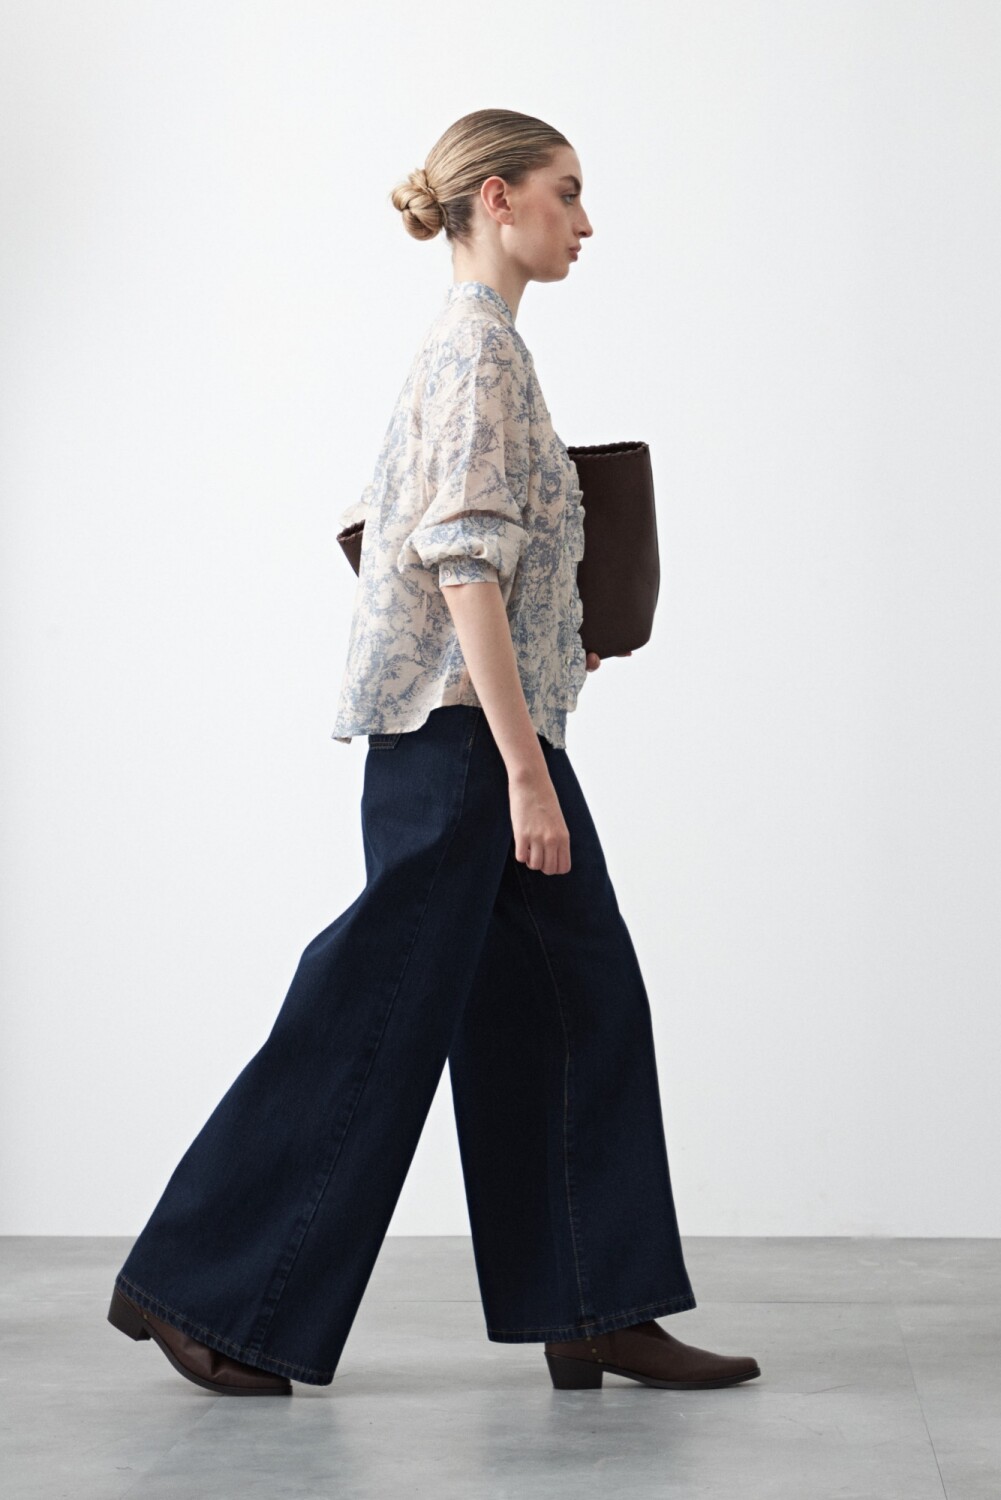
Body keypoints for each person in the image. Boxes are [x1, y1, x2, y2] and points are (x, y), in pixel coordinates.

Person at [107, 108, 761, 1397]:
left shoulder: (483, 349)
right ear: (499, 199)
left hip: (481, 732)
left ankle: (595, 1305)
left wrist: (543, 681)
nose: (585, 220)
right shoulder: (475, 353)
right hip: (466, 746)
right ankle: (202, 1292)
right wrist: (523, 769)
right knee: (376, 1013)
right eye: (567, 192)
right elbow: (459, 563)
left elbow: (397, 526)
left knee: (574, 1002)